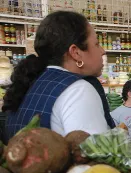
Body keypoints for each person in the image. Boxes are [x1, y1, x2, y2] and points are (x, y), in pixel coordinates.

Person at [2, 11, 115, 141]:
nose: (103, 51)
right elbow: (100, 156)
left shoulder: (30, 82)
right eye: (96, 44)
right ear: (75, 52)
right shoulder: (78, 90)